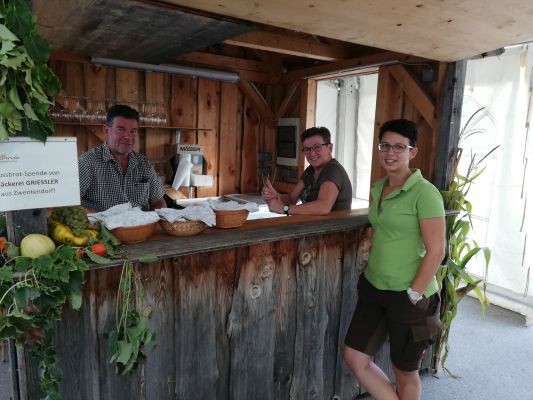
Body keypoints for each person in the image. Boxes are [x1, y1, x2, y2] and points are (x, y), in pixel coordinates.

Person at [343, 119, 445, 400]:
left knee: (404, 370)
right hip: (374, 288)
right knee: (354, 356)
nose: (390, 152)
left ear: (412, 152)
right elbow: (384, 230)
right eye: (385, 146)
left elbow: (437, 250)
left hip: (410, 295)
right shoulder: (379, 188)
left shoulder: (425, 193)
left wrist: (413, 294)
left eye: (399, 147)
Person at [78, 104, 166, 212]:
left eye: (133, 131)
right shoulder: (87, 163)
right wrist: (98, 216)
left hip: (141, 223)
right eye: (120, 129)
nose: (128, 137)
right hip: (102, 223)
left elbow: (159, 202)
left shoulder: (143, 163)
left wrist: (156, 218)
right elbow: (68, 204)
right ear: (106, 130)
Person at [262, 126, 352, 215]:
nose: (312, 153)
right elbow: (291, 199)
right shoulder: (310, 170)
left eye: (317, 147)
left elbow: (323, 207)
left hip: (334, 224)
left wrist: (284, 209)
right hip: (310, 223)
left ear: (330, 148)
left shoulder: (333, 169)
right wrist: (276, 195)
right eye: (307, 149)